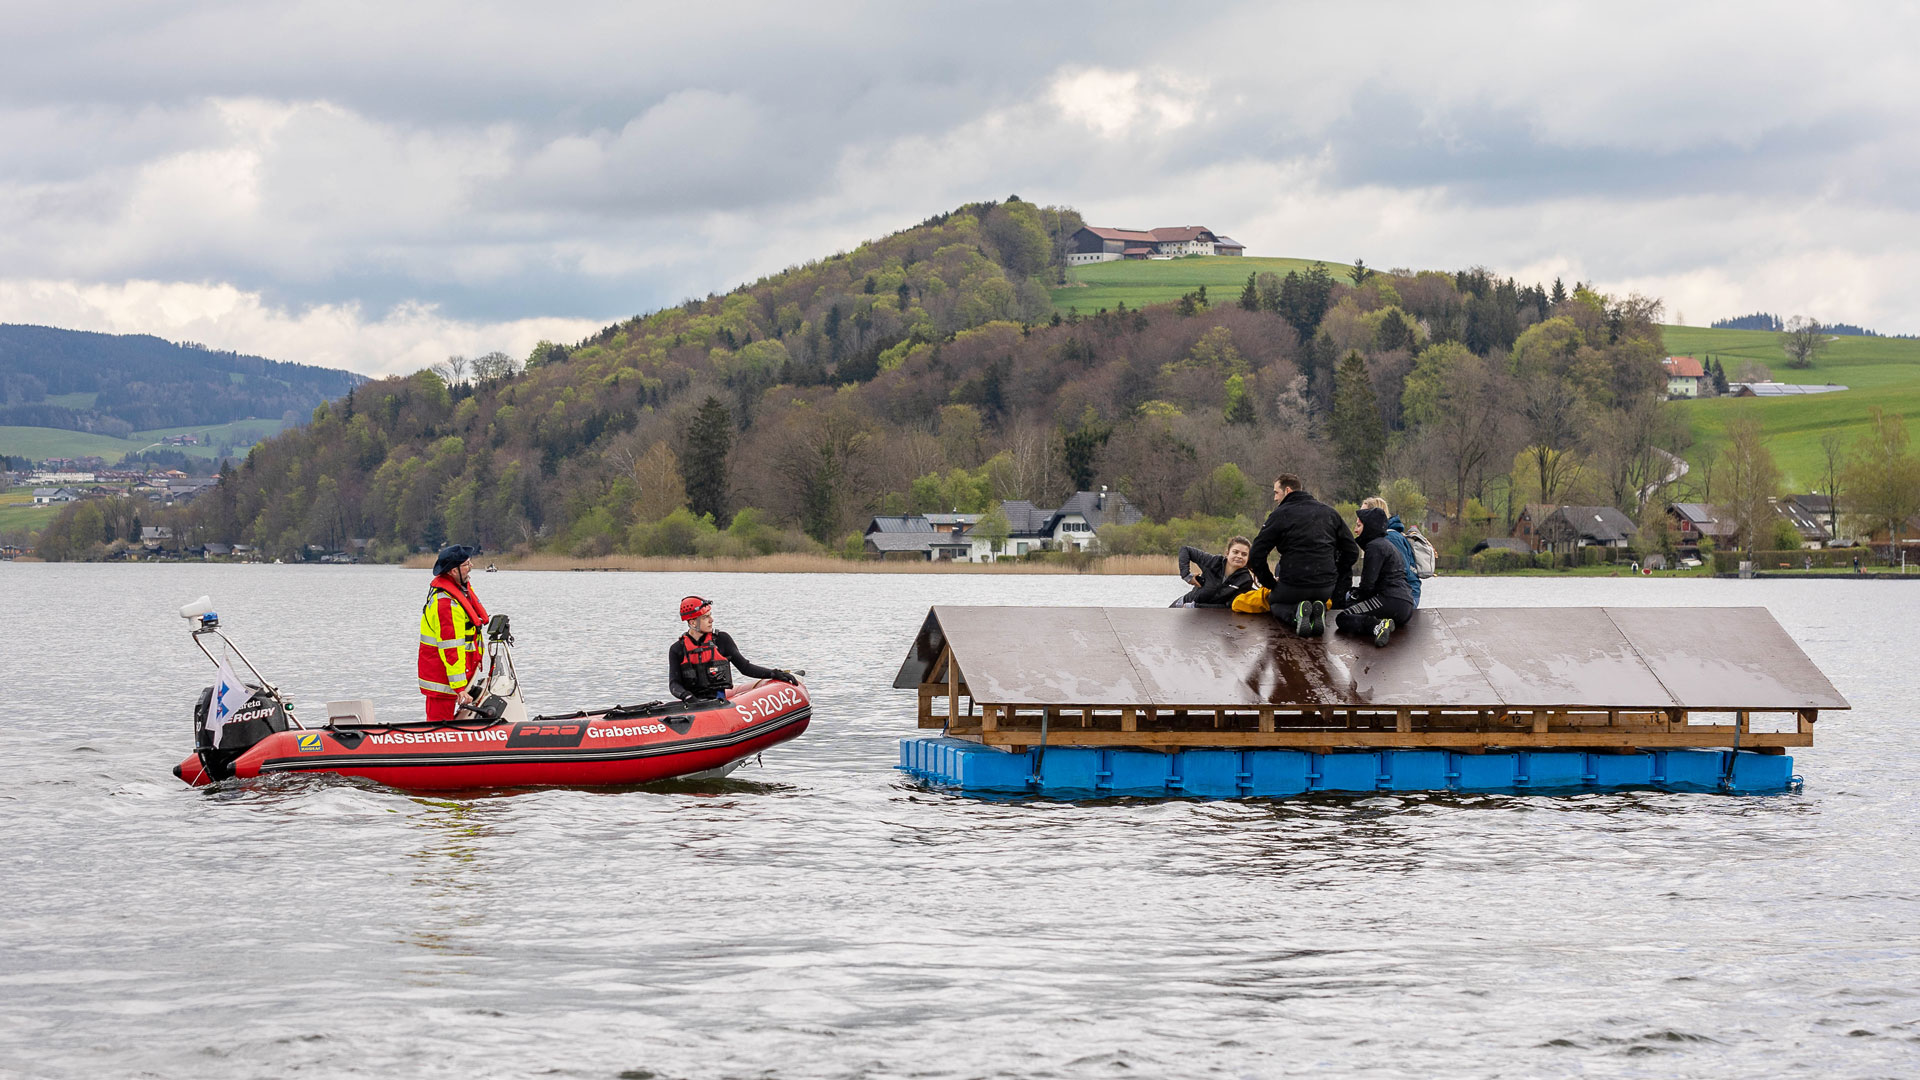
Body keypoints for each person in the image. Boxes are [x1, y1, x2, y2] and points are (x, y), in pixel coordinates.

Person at [1246, 474, 1359, 636]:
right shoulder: (1329, 513)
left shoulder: (1279, 515)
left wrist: (1270, 583)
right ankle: (1314, 614)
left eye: (1276, 492)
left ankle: (1296, 616)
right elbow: (1352, 551)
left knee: (1275, 602)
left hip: (1292, 586)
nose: (1275, 498)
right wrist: (1334, 573)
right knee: (1313, 601)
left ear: (1288, 490)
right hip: (1324, 588)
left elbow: (1256, 554)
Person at [669, 596, 800, 702]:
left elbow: (745, 668)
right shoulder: (677, 649)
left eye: (710, 615)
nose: (711, 620)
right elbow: (674, 684)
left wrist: (775, 673)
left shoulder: (722, 640)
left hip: (718, 702)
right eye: (705, 617)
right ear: (692, 622)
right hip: (692, 705)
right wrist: (687, 697)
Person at [418, 544, 489, 722]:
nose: (471, 566)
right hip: (443, 680)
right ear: (453, 571)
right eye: (466, 564)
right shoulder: (446, 604)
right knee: (438, 729)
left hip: (452, 676)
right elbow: (452, 648)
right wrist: (459, 687)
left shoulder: (459, 592)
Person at [1336, 507, 1417, 647]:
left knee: (1343, 617)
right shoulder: (1387, 545)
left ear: (1369, 527)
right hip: (1406, 605)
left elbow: (1367, 586)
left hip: (1391, 600)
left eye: (1359, 525)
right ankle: (1382, 624)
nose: (1355, 530)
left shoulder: (1374, 547)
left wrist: (1353, 599)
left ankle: (1378, 626)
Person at [1359, 496, 1422, 608]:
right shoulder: (1380, 539)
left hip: (1407, 596)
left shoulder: (1390, 538)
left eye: (1363, 513)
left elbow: (1402, 570)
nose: (1359, 518)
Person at [1171, 536, 1256, 608]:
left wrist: (1196, 606)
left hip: (1207, 616)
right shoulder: (1214, 562)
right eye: (1235, 552)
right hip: (1181, 605)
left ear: (1248, 558)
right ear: (1227, 553)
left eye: (1244, 554)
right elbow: (1185, 550)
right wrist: (1187, 576)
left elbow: (1229, 606)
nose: (1239, 556)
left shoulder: (1246, 580)